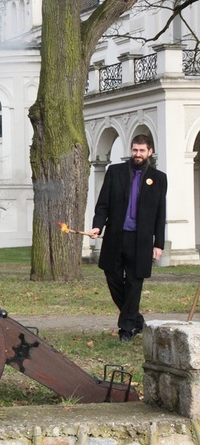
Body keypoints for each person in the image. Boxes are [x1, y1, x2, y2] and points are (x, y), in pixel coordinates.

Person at [89, 134, 167, 342]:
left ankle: (126, 329)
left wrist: (158, 243)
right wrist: (97, 225)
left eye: (142, 150)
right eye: (135, 150)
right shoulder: (115, 172)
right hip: (116, 236)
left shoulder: (158, 178)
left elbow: (161, 213)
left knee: (134, 282)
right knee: (112, 275)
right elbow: (103, 203)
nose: (138, 154)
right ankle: (135, 319)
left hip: (140, 240)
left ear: (150, 152)